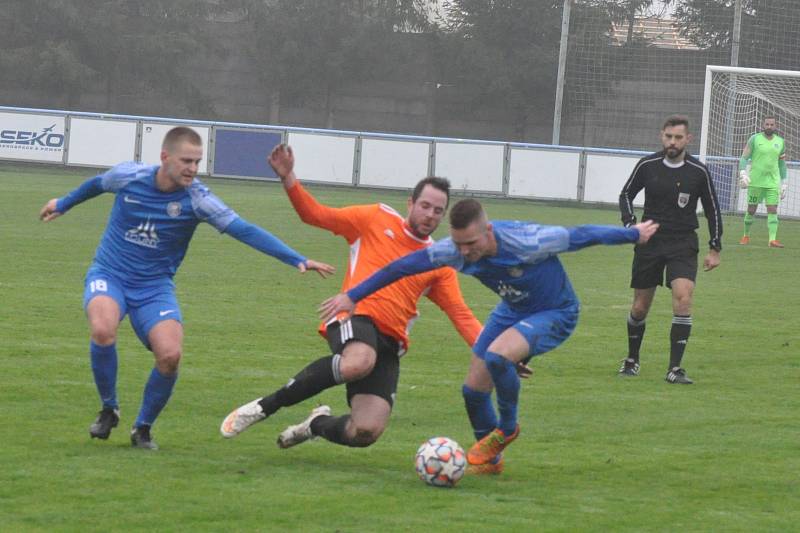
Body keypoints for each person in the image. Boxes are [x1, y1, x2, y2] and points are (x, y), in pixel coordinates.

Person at [39, 127, 334, 450]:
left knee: (170, 356)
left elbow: (244, 230)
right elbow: (96, 184)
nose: (193, 168)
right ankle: (109, 409)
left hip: (154, 288)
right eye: (186, 161)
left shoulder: (198, 199)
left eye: (197, 161)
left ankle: (143, 428)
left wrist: (296, 258)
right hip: (110, 274)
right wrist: (64, 203)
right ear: (165, 157)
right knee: (102, 328)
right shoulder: (128, 176)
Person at [319, 199, 658, 473]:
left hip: (555, 312)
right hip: (511, 311)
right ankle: (491, 462)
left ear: (488, 231)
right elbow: (400, 267)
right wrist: (353, 295)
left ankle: (507, 429)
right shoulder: (452, 250)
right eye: (459, 244)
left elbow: (583, 234)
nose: (464, 252)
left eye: (471, 243)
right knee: (473, 390)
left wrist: (634, 234)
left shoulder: (529, 241)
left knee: (497, 356)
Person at [220, 144, 484, 456]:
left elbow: (461, 315)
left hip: (391, 343)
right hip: (353, 316)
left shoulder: (438, 260)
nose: (430, 215)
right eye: (425, 206)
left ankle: (315, 424)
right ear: (410, 202)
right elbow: (315, 215)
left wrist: (497, 354)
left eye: (438, 211)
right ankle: (265, 406)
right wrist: (289, 177)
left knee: (365, 431)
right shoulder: (374, 217)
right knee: (359, 362)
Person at [618, 114, 723, 384]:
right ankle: (632, 359)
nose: (672, 142)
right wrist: (631, 224)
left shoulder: (698, 171)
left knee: (683, 298)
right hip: (650, 241)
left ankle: (675, 369)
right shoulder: (647, 165)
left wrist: (715, 248)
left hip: (683, 242)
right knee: (640, 307)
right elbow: (626, 194)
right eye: (668, 136)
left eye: (678, 137)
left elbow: (712, 209)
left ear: (688, 139)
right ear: (661, 136)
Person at [737, 115, 788, 248]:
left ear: (775, 126)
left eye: (772, 124)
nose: (769, 127)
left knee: (772, 209)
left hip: (772, 182)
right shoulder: (755, 139)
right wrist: (743, 172)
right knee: (751, 209)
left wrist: (784, 183)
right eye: (767, 124)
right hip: (755, 182)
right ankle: (745, 236)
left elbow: (782, 165)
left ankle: (772, 240)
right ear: (763, 125)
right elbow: (744, 157)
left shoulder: (780, 142)